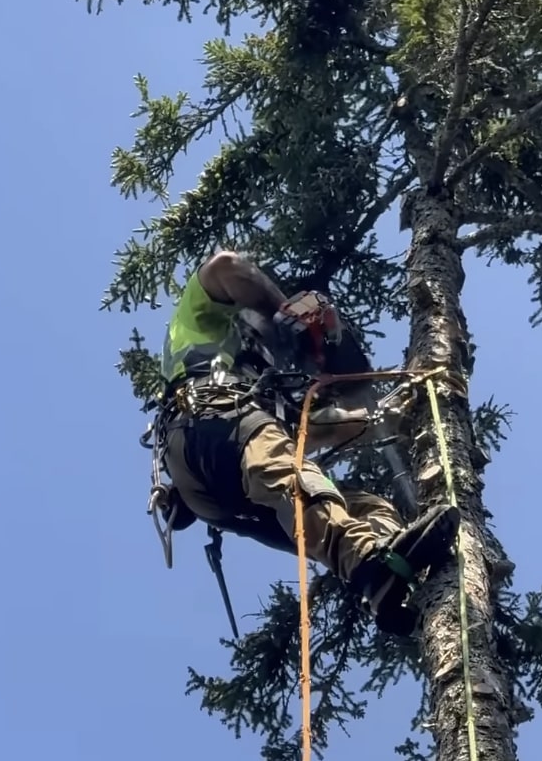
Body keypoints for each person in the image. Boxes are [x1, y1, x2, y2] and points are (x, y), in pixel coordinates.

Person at [156, 250, 459, 634]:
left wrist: (393, 413)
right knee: (287, 471)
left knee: (362, 505)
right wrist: (284, 311)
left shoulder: (263, 391)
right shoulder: (204, 325)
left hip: (230, 499)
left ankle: (385, 571)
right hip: (203, 423)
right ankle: (367, 561)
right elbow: (226, 267)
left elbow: (318, 431)